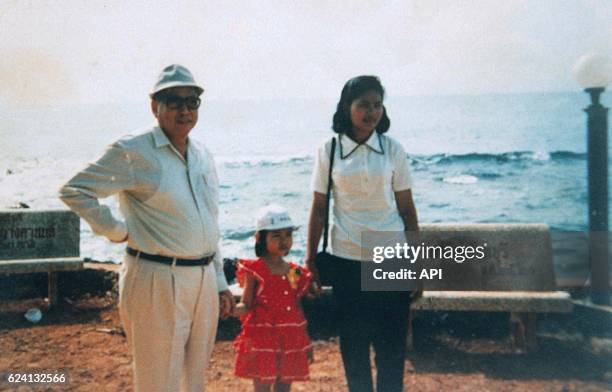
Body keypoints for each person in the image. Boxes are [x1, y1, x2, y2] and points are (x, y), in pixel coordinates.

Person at [59, 64, 235, 392]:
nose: (184, 110)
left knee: (193, 381)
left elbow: (209, 223)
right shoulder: (134, 150)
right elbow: (75, 189)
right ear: (154, 105)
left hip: (203, 281)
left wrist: (221, 283)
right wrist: (117, 231)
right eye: (173, 101)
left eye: (192, 101)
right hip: (155, 279)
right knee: (158, 383)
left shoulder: (202, 154)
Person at [305, 75, 419, 392]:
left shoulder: (393, 149)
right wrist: (309, 258)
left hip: (390, 255)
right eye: (363, 105)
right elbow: (318, 208)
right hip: (346, 258)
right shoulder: (329, 150)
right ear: (347, 107)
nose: (371, 112)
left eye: (377, 105)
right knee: (353, 349)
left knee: (391, 350)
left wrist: (416, 263)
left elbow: (407, 209)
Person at [233, 204, 313, 392]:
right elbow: (246, 304)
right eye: (276, 236)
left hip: (290, 337)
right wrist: (229, 308)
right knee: (262, 385)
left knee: (284, 385)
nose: (284, 241)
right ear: (260, 238)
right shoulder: (255, 271)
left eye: (288, 235)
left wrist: (305, 341)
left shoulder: (294, 271)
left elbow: (296, 306)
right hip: (263, 338)